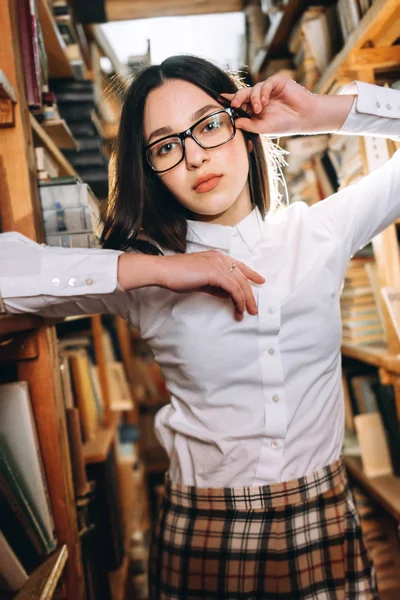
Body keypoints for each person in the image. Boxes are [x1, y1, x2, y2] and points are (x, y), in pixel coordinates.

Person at [1, 54, 399, 599]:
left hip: (325, 515)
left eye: (210, 125)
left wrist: (320, 112)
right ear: (150, 169)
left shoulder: (319, 231)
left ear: (245, 128)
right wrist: (158, 268)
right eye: (167, 146)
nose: (195, 157)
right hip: (204, 532)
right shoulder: (147, 274)